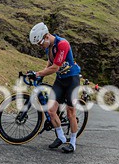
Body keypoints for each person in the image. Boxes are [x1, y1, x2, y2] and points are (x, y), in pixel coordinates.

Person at [26, 22, 82, 153]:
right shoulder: (48, 48)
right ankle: (61, 137)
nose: (40, 46)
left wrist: (38, 73)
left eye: (40, 43)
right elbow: (50, 63)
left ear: (46, 36)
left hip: (72, 80)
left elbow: (56, 67)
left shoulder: (63, 44)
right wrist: (40, 76)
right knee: (51, 111)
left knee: (70, 113)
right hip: (61, 80)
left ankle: (73, 143)